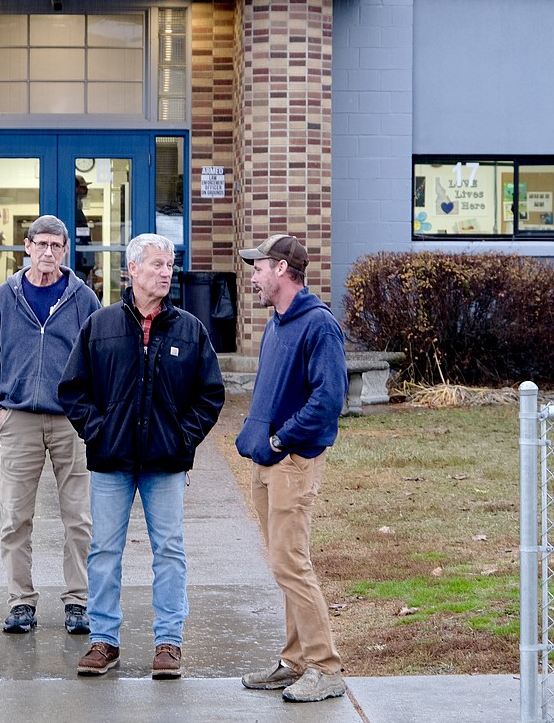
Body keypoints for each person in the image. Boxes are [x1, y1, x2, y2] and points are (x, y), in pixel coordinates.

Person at [58, 232, 225, 680]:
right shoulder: (101, 324)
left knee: (169, 550)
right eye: (156, 264)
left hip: (165, 463)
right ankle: (103, 641)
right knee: (104, 550)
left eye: (169, 265)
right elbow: (73, 390)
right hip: (111, 462)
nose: (166, 272)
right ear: (132, 270)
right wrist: (100, 430)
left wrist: (181, 438)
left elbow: (210, 394)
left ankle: (168, 643)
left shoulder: (189, 328)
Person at [0, 214, 102, 635]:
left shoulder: (84, 299)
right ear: (26, 247)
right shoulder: (5, 297)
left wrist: (89, 413)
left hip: (71, 424)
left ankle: (78, 601)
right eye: (41, 244)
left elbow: (101, 360)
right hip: (19, 421)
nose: (48, 252)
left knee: (79, 518)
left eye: (56, 246)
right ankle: (21, 601)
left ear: (66, 251)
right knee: (15, 517)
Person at [234, 234, 349, 704]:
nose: (253, 276)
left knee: (291, 563)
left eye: (259, 267)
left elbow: (329, 400)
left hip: (294, 462)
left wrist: (282, 440)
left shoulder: (318, 326)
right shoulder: (277, 324)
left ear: (282, 269)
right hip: (269, 462)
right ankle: (294, 662)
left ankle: (325, 667)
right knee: (283, 564)